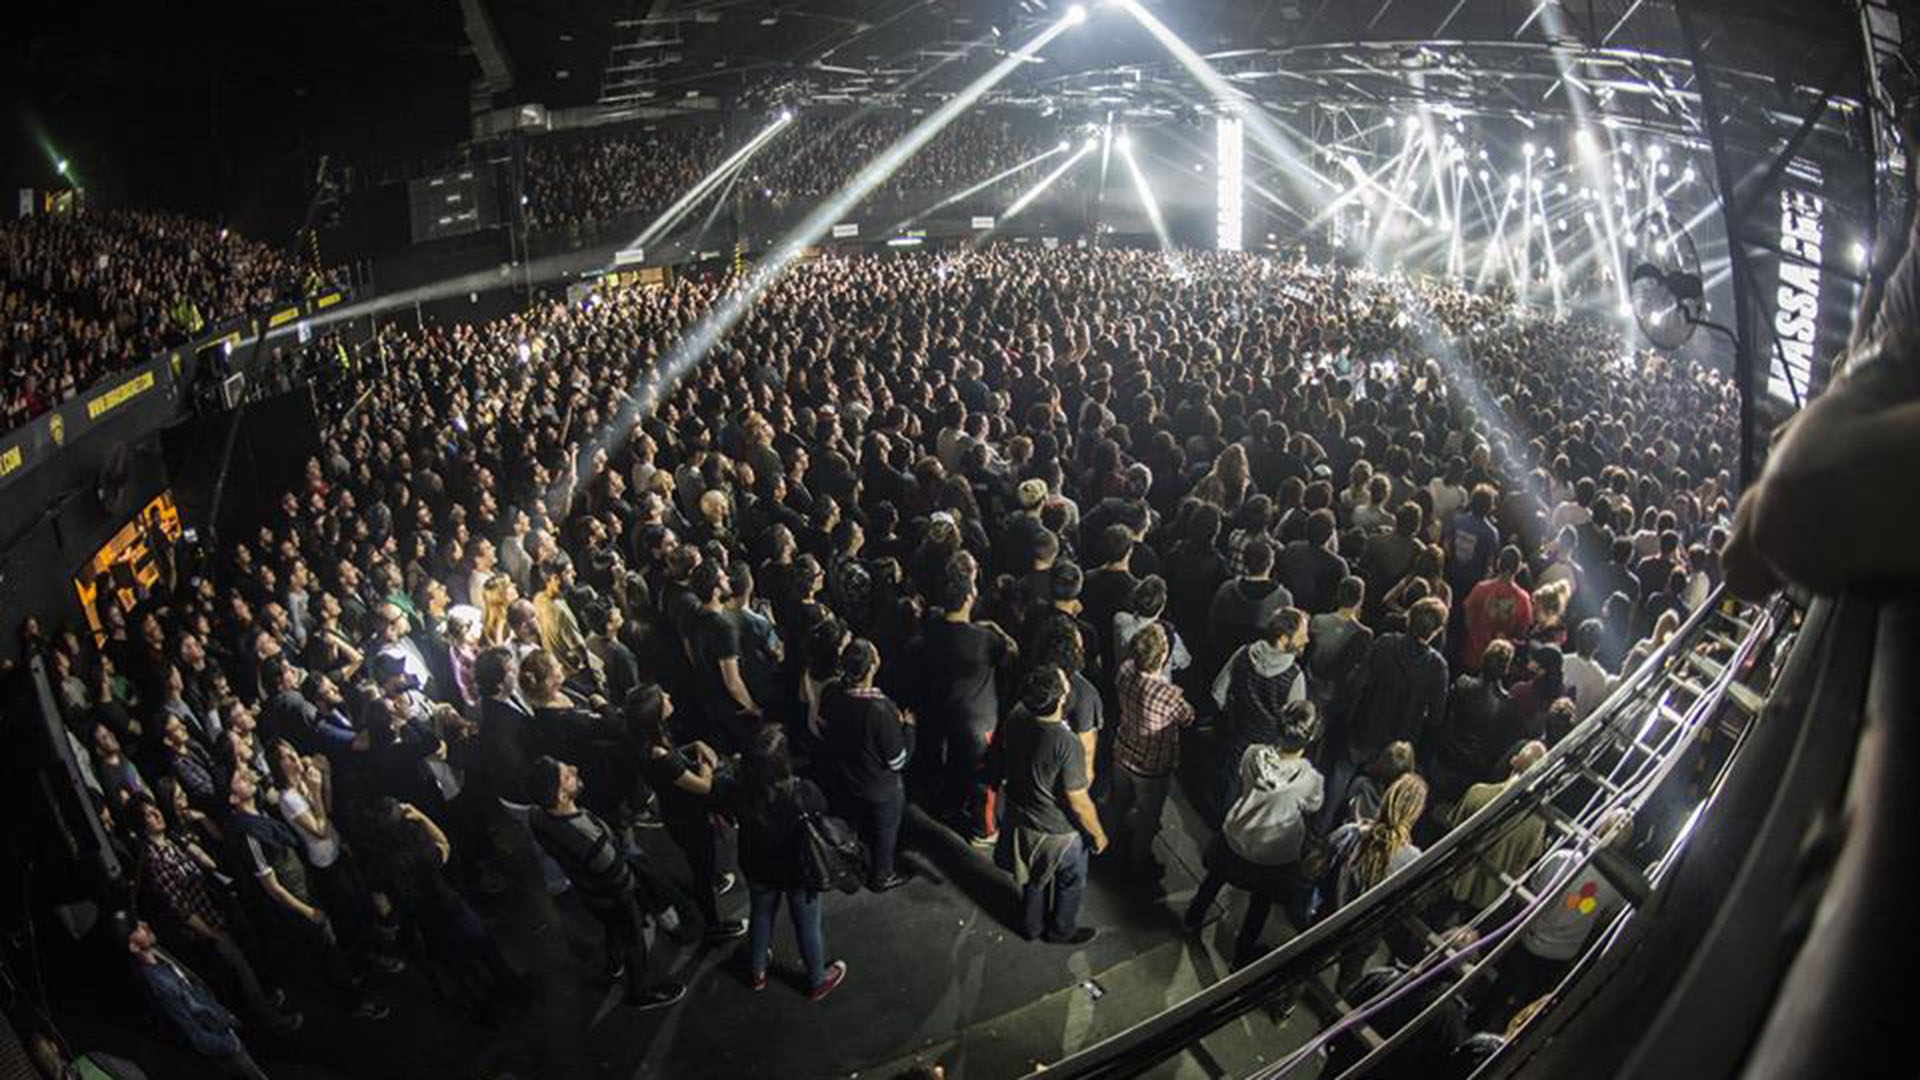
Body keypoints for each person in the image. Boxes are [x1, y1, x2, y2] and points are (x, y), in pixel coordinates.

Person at [524, 756, 689, 1010]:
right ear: (562, 797)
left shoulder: (537, 816)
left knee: (613, 928)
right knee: (634, 940)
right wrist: (639, 893)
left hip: (588, 891)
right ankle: (641, 993)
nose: (574, 767)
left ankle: (614, 964)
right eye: (566, 776)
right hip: (615, 896)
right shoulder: (586, 837)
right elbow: (618, 875)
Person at [1184, 700, 1324, 967]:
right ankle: (1241, 954)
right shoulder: (1310, 780)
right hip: (1273, 853)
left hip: (1237, 836)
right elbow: (1313, 805)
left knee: (1213, 880)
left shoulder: (1252, 754)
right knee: (1260, 905)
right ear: (1312, 734)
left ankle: (1192, 919)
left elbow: (1242, 780)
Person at [734, 724, 849, 999]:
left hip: (757, 866)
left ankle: (757, 972)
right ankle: (817, 981)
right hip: (799, 870)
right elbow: (823, 812)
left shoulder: (740, 789)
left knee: (761, 914)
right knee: (807, 924)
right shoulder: (804, 791)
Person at [998, 665, 1107, 945]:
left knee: (1034, 880)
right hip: (1059, 833)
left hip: (1024, 820)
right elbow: (1078, 800)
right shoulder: (1066, 743)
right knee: (1070, 881)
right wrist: (1098, 833)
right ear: (1060, 698)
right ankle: (1061, 931)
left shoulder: (1017, 715)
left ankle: (1031, 926)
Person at [630, 683, 749, 936]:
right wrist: (705, 763)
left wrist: (694, 745)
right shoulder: (660, 756)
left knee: (700, 862)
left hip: (678, 812)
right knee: (700, 868)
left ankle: (711, 879)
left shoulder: (648, 741)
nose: (669, 695)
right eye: (663, 697)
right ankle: (713, 925)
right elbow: (703, 787)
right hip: (688, 820)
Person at [1327, 598, 1448, 832]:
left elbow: (1358, 682)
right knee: (1382, 798)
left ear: (1409, 618)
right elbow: (1436, 716)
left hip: (1365, 728)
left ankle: (1321, 830)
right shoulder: (1438, 667)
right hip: (1398, 745)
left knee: (1340, 776)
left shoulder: (1384, 644)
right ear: (1436, 631)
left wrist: (1345, 715)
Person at [920, 558, 1017, 844]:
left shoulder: (932, 627)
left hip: (941, 709)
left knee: (953, 764)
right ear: (968, 598)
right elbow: (1012, 654)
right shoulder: (984, 639)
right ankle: (984, 829)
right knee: (983, 775)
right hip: (977, 719)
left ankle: (949, 805)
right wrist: (996, 629)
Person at [818, 638, 916, 891]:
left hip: (847, 779)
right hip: (879, 787)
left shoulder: (832, 694)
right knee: (885, 831)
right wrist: (908, 729)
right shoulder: (880, 710)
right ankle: (882, 875)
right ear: (873, 667)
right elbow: (898, 761)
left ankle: (855, 858)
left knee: (858, 822)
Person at [121, 917, 272, 1079]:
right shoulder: (162, 985)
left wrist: (224, 1017)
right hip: (220, 1039)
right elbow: (193, 1032)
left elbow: (196, 993)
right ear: (134, 946)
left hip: (220, 1027)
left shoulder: (159, 956)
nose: (145, 925)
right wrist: (229, 1045)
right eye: (137, 929)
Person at [1108, 623, 1197, 884]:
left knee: (1118, 802)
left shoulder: (1124, 670)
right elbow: (1189, 717)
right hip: (1151, 767)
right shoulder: (1168, 694)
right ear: (1162, 656)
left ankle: (1109, 844)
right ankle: (1139, 862)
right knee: (1147, 818)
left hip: (1123, 750)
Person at [1210, 606, 1310, 815]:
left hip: (1238, 739)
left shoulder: (1243, 653)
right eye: (1302, 635)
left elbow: (1218, 693)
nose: (1307, 640)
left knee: (1230, 792)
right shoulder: (1294, 678)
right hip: (1268, 754)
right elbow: (1294, 729)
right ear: (1284, 639)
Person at [1445, 741, 1549, 912]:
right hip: (1487, 903)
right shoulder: (1537, 824)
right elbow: (1524, 864)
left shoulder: (1477, 793)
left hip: (1452, 886)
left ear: (1513, 761)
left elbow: (1451, 833)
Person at [1461, 546, 1532, 672]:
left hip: (1474, 655)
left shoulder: (1480, 589)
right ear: (1518, 569)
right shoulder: (1523, 599)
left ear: (1498, 563)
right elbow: (1522, 632)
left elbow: (1467, 617)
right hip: (1501, 663)